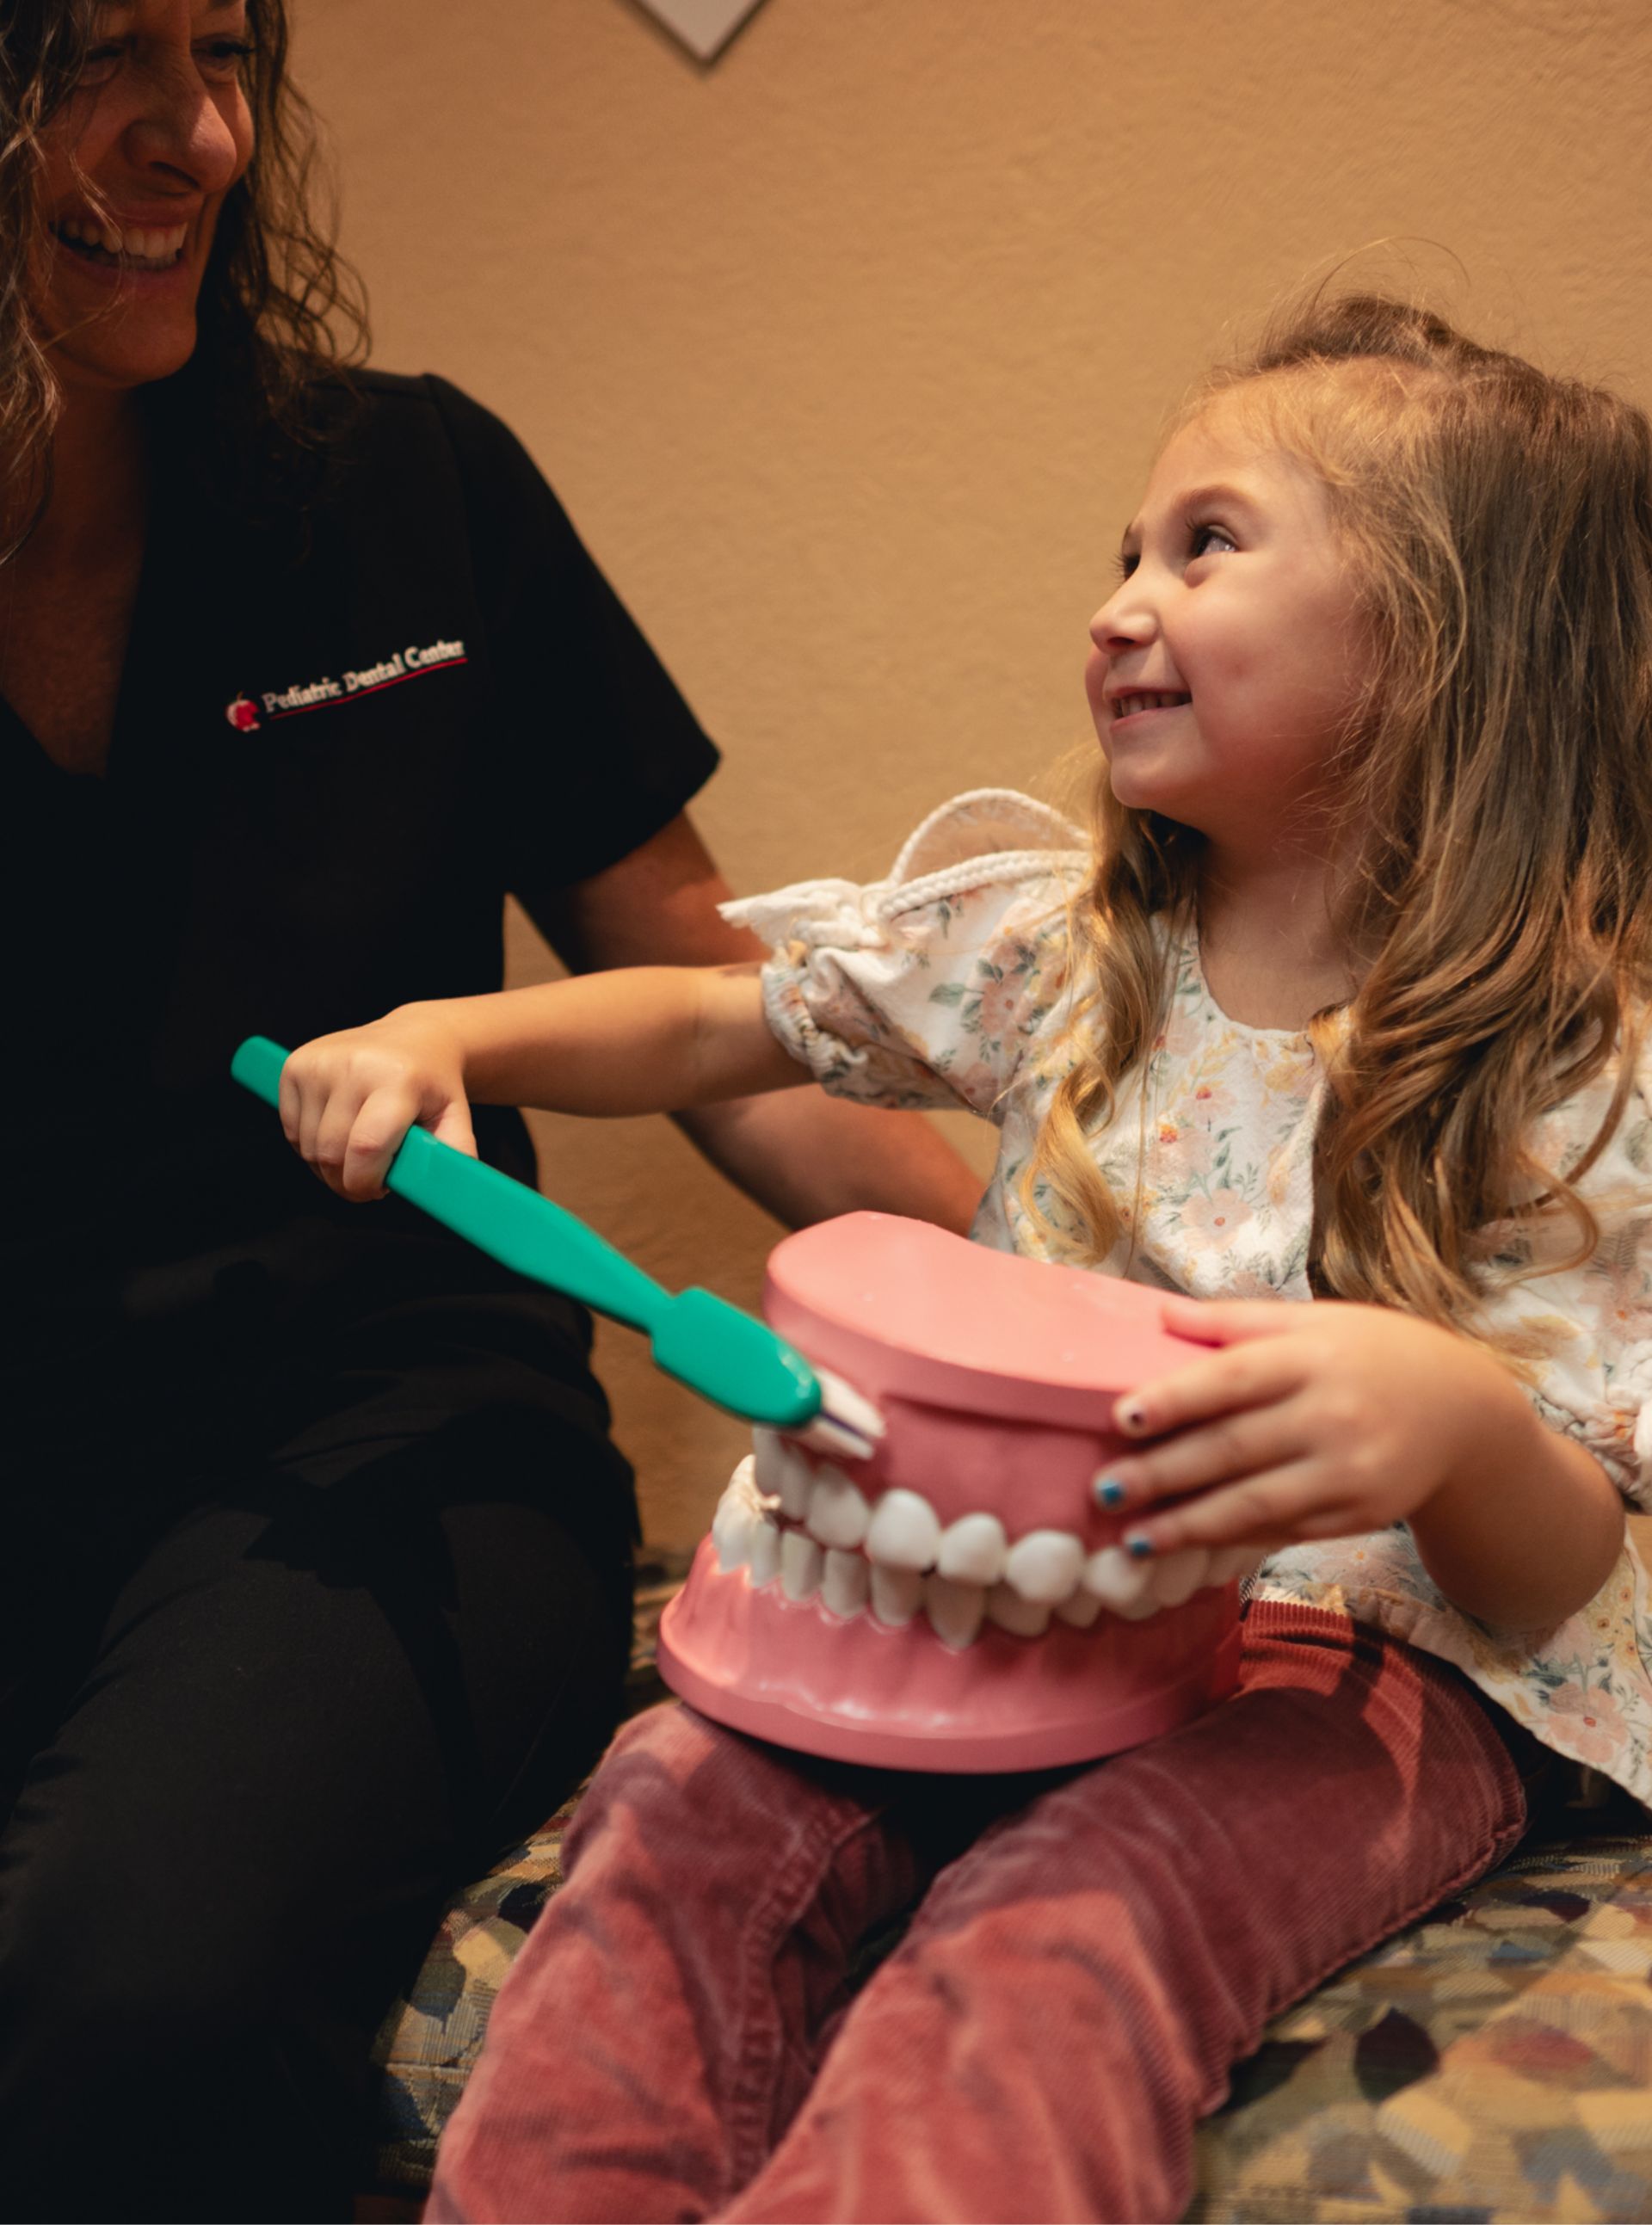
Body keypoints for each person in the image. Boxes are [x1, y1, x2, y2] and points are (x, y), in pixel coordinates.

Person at [275, 290, 1652, 2224]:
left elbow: (1569, 1576)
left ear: (1445, 649)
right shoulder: (1060, 950)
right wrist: (453, 1037)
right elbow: (701, 1025)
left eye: (1210, 546)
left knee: (1065, 1927)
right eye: (1125, 550)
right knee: (671, 1818)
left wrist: (1455, 1426)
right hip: (1001, 1603)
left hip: (1362, 1661)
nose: (1119, 602)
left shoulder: (1583, 1070)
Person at [0, 5, 980, 2221]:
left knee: (116, 1997)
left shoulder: (405, 487)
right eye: (89, 54)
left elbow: (740, 1015)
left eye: (224, 47)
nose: (200, 135)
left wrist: (1018, 1329)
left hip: (384, 1435)